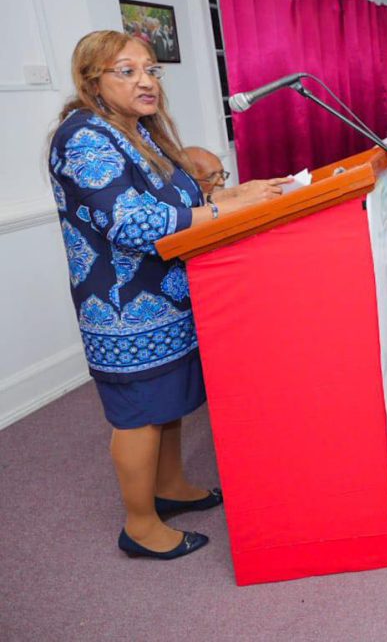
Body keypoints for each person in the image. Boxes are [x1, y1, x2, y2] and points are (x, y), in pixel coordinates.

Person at [48, 30, 288, 559]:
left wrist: (231, 194)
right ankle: (139, 525)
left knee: (170, 404)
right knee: (139, 413)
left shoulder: (136, 130)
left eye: (152, 70)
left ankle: (171, 486)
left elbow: (178, 197)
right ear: (92, 80)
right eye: (127, 71)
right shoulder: (84, 135)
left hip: (173, 296)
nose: (146, 81)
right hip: (124, 309)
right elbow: (131, 222)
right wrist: (227, 210)